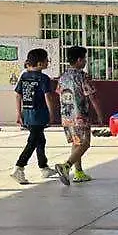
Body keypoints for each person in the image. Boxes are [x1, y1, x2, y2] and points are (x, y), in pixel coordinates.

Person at [11, 49, 59, 185]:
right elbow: (47, 96)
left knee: (40, 140)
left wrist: (19, 113)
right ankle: (19, 167)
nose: (47, 62)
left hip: (27, 113)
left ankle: (43, 167)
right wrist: (52, 113)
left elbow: (18, 95)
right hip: (39, 114)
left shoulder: (24, 76)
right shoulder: (43, 78)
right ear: (39, 63)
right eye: (46, 60)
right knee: (32, 142)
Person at [56, 46, 102, 184]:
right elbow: (92, 97)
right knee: (85, 144)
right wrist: (100, 114)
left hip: (66, 116)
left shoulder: (63, 77)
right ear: (79, 60)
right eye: (84, 59)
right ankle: (66, 166)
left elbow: (59, 92)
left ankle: (79, 172)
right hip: (80, 115)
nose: (85, 62)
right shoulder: (82, 77)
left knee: (76, 143)